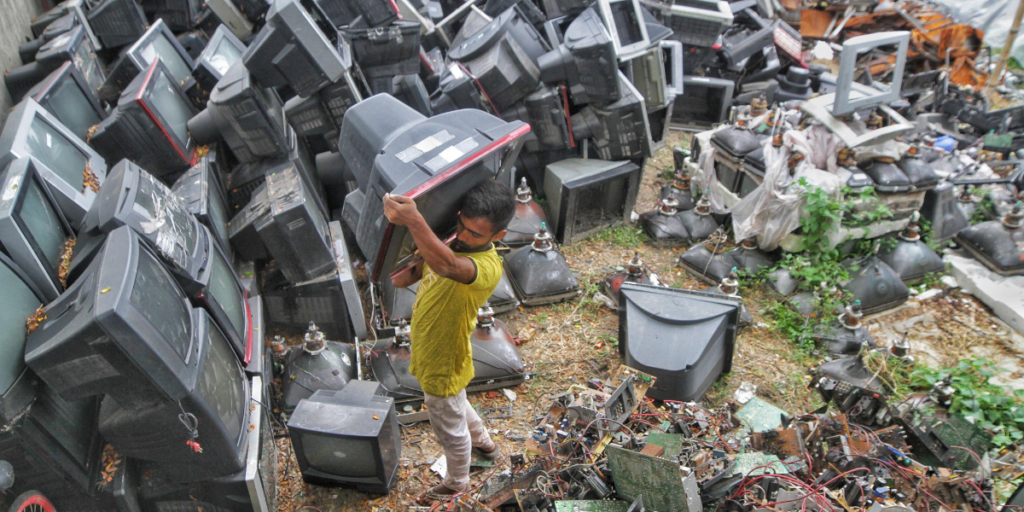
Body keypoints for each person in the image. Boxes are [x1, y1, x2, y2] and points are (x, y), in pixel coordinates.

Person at [383, 179, 516, 498]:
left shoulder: (485, 266)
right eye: (462, 226)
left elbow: (446, 265)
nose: (465, 236)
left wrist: (415, 220)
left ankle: (457, 482)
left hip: (442, 356)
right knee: (456, 403)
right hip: (435, 347)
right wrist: (412, 257)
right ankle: (485, 444)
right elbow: (403, 279)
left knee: (448, 425)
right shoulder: (451, 241)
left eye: (476, 233)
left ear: (498, 236)